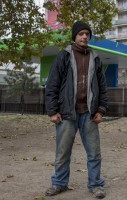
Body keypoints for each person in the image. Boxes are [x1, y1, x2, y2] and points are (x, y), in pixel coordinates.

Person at [44, 21, 108, 199]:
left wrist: (101, 110)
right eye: (81, 34)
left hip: (89, 114)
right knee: (63, 152)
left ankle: (95, 185)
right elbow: (52, 86)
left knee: (94, 153)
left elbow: (102, 87)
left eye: (87, 34)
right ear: (75, 36)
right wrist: (52, 111)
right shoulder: (63, 56)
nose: (85, 36)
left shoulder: (95, 57)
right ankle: (59, 184)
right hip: (66, 114)